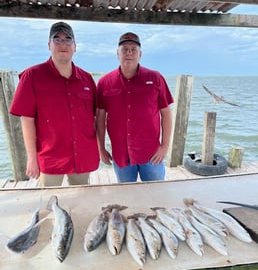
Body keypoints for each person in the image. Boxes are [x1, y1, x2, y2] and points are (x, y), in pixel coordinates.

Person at [10, 21, 100, 186]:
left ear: (75, 46)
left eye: (67, 40)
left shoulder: (86, 79)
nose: (62, 44)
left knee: (81, 202)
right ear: (49, 45)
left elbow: (96, 118)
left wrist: (101, 149)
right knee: (50, 204)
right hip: (51, 157)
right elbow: (27, 119)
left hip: (82, 156)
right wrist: (31, 158)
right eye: (57, 39)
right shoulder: (32, 76)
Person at [96, 32, 173, 183]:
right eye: (124, 49)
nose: (129, 53)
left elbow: (166, 114)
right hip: (121, 155)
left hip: (152, 155)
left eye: (133, 49)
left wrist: (164, 146)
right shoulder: (105, 82)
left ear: (140, 54)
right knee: (126, 198)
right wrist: (101, 148)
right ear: (117, 53)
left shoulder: (155, 78)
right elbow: (100, 118)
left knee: (156, 195)